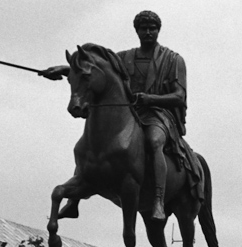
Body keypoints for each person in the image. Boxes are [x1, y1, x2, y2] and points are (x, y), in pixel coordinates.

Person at [40, 10, 201, 221]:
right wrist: (64, 70)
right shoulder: (124, 57)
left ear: (158, 30)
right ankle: (73, 201)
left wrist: (150, 99)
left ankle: (158, 201)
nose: (148, 32)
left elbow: (179, 96)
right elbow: (93, 71)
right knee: (92, 141)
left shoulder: (173, 60)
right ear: (137, 31)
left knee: (153, 141)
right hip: (130, 111)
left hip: (158, 115)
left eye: (152, 28)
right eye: (144, 28)